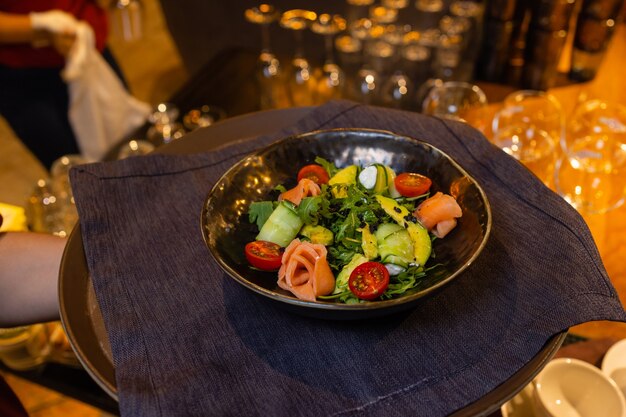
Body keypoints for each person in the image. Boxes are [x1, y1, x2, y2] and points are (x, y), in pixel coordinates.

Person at [0, 1, 126, 170]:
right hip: (24, 79)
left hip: (89, 48)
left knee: (126, 143)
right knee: (76, 169)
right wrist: (40, 27)